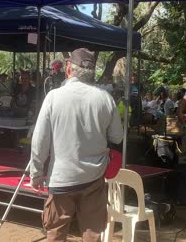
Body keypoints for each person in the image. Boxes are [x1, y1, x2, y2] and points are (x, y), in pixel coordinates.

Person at [29, 48, 123, 241]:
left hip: (62, 178)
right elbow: (117, 137)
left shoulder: (53, 97)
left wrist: (36, 173)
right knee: (92, 233)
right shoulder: (105, 98)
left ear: (69, 68)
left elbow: (40, 141)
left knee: (55, 233)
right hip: (94, 177)